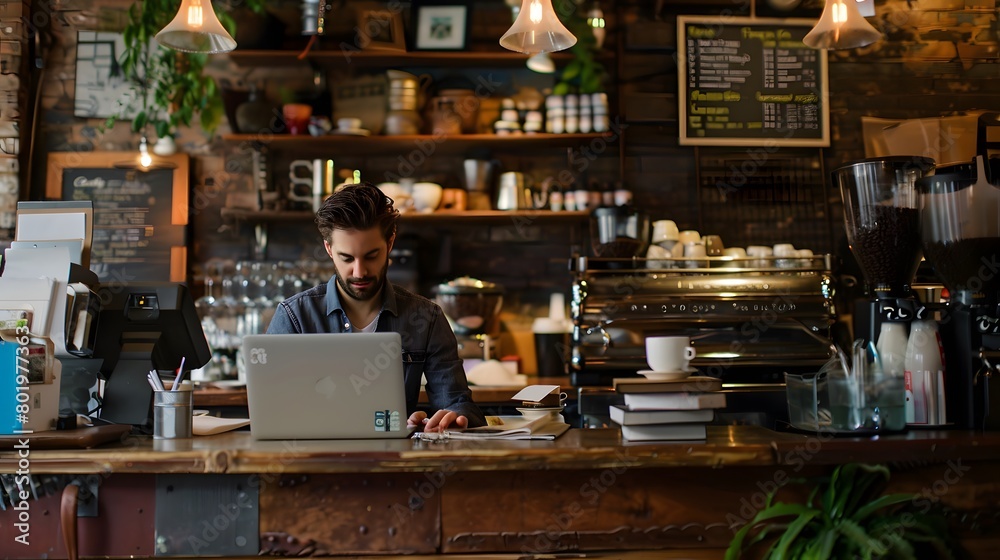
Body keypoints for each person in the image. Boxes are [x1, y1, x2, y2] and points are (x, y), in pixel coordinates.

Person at [266, 182, 485, 431]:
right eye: (347, 258)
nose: (359, 272)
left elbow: (458, 403)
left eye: (371, 255)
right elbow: (272, 409)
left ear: (390, 243)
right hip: (313, 461)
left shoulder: (426, 318)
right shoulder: (295, 317)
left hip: (394, 462)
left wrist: (451, 420)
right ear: (329, 249)